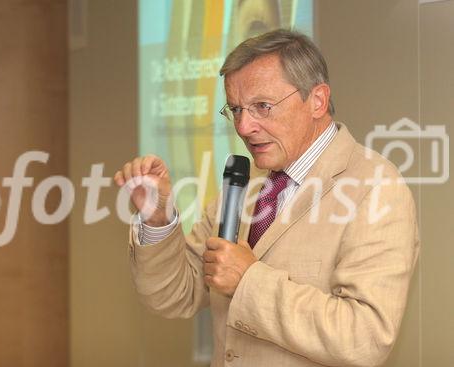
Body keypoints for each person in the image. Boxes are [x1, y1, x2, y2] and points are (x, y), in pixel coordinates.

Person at [115, 29, 419, 367]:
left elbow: (365, 339)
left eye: (262, 106)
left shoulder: (376, 188)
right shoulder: (245, 182)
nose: (244, 127)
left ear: (317, 100)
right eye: (236, 109)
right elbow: (175, 295)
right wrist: (158, 219)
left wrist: (248, 280)